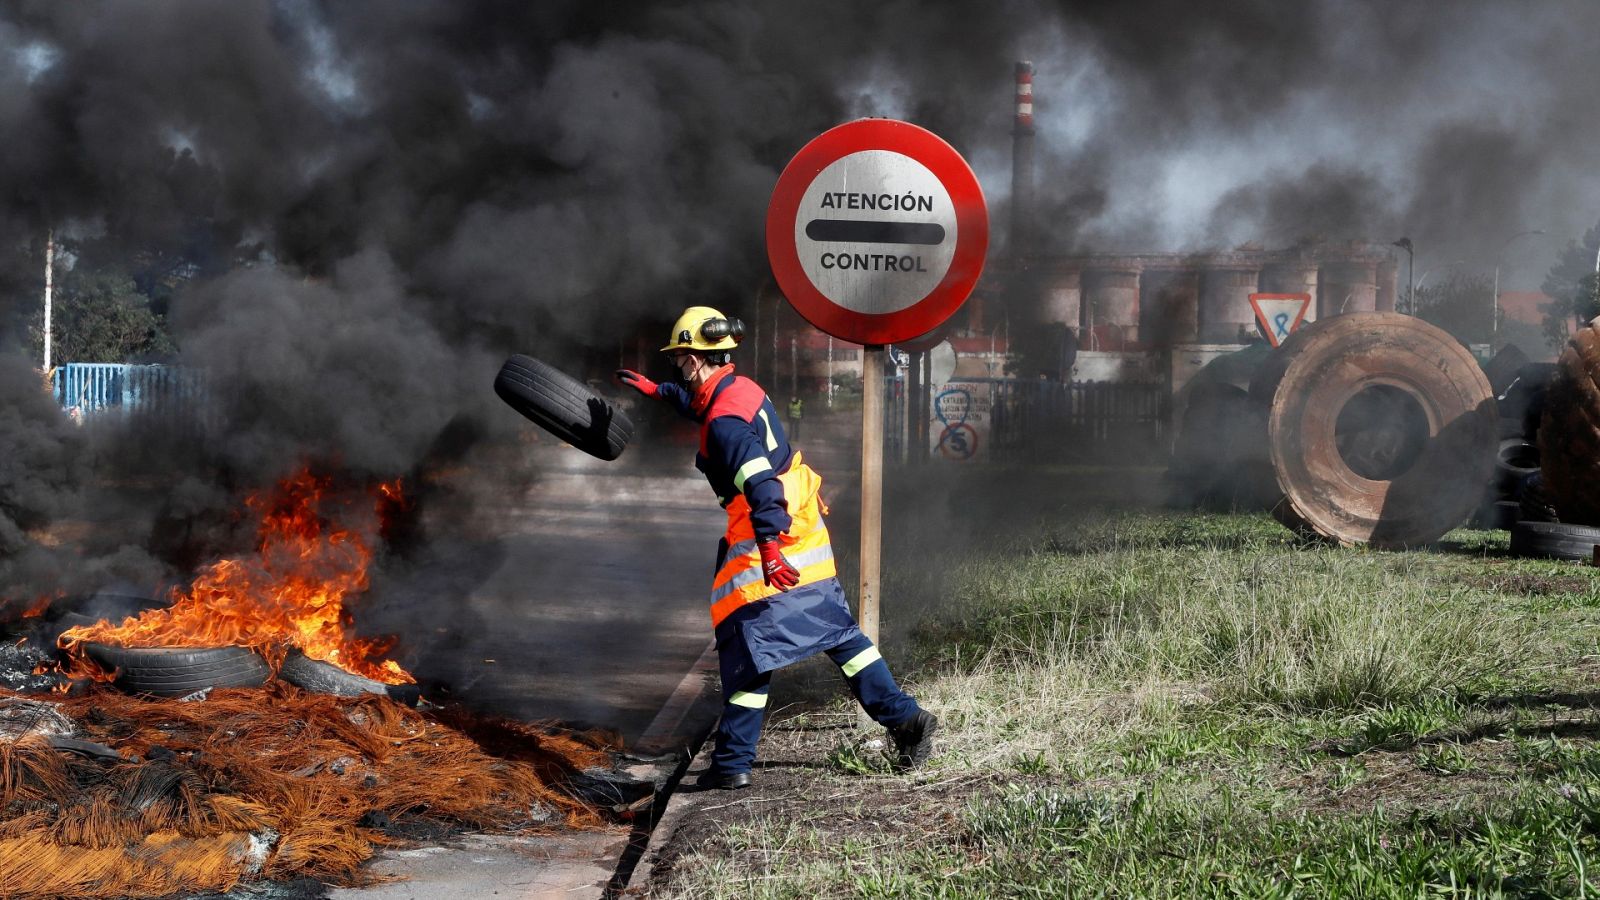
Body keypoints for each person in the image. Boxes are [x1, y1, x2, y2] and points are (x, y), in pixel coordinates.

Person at [617, 305, 936, 790]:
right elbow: (701, 404)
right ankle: (907, 720)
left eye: (680, 361)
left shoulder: (725, 424)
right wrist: (659, 393)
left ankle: (732, 766)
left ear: (697, 360)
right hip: (801, 528)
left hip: (772, 534)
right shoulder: (738, 388)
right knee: (837, 634)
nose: (678, 369)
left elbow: (762, 486)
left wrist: (767, 547)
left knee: (745, 638)